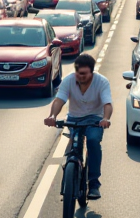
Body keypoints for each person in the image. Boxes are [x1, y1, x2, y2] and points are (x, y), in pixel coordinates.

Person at [43, 54, 112, 201]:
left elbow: (107, 104)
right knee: (72, 149)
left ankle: (93, 183)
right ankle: (69, 182)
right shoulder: (68, 80)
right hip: (74, 118)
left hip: (95, 118)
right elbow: (59, 100)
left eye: (84, 74)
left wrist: (105, 119)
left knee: (93, 141)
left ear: (92, 72)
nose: (80, 76)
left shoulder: (102, 82)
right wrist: (53, 116)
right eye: (78, 73)